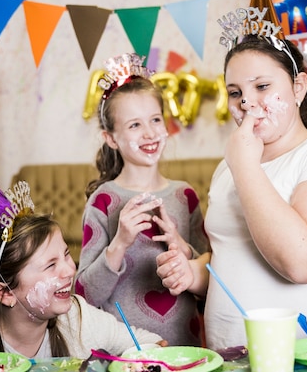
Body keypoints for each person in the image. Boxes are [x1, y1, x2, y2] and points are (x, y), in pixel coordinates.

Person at [156, 33, 307, 349]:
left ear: (298, 88)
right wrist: (194, 273)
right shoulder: (227, 168)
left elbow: (301, 263)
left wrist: (245, 166)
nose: (246, 102)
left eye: (261, 87)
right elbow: (233, 261)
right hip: (232, 355)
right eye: (235, 92)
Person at [0, 155, 164, 361]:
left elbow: (154, 345)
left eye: (66, 255)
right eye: (51, 265)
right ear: (4, 293)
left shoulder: (78, 318)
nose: (70, 270)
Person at [75, 53, 209, 346]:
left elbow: (210, 280)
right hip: (125, 354)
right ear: (111, 138)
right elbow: (84, 295)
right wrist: (120, 242)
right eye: (134, 125)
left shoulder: (184, 195)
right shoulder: (104, 201)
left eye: (155, 120)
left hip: (186, 350)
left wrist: (181, 246)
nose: (149, 133)